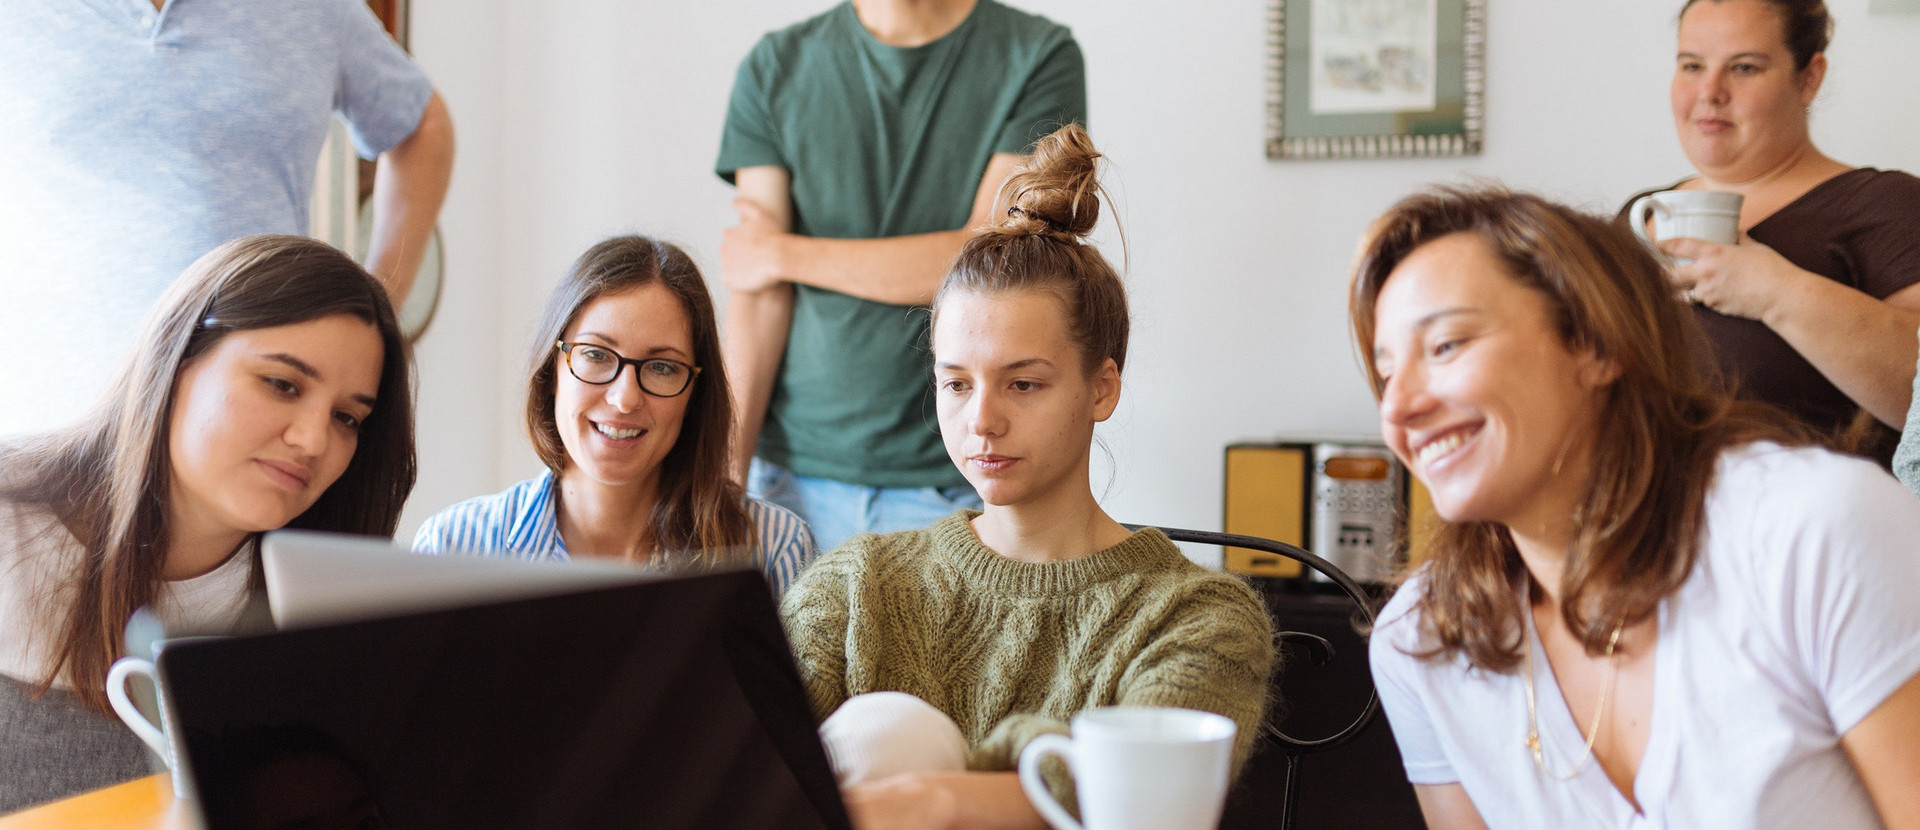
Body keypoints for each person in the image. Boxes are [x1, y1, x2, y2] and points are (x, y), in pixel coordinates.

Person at [1357, 185, 1920, 828]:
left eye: (1446, 346)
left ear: (1597, 345)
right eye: (1386, 373)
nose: (1400, 408)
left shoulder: (1815, 528)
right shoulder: (1420, 642)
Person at [780, 125, 1275, 830]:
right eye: (956, 384)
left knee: (898, 734)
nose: (982, 421)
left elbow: (1145, 811)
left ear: (1102, 388)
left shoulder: (1198, 617)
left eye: (1023, 384)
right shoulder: (854, 589)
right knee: (886, 732)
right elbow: (734, 775)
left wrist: (934, 798)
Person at [0, 235, 416, 812]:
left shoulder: (330, 602)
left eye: (346, 418)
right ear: (177, 358)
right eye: (282, 384)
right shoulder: (11, 523)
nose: (313, 440)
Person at [715, 0, 1087, 551]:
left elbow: (989, 262)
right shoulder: (774, 65)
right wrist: (724, 485)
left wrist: (782, 253)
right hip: (789, 479)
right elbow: (758, 288)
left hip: (957, 475)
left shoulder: (1038, 54)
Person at [0, 0, 456, 439]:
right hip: (40, 416)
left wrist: (378, 310)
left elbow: (424, 126)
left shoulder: (317, 7)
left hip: (257, 427)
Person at [412, 237, 817, 597]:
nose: (625, 399)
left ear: (695, 394)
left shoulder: (775, 549)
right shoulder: (453, 549)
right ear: (552, 371)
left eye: (662, 367)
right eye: (596, 354)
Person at [1621, 0, 1920, 464]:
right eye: (1692, 66)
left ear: (1809, 78)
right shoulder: (1637, 216)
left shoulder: (1886, 204)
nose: (1710, 92)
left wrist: (1775, 293)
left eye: (1744, 67)